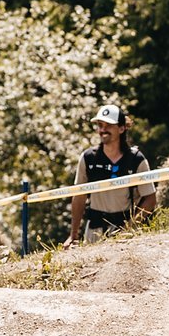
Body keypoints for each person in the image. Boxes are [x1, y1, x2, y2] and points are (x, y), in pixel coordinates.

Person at [66, 104, 157, 245]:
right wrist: (73, 235)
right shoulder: (88, 158)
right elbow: (79, 196)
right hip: (94, 232)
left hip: (126, 235)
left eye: (108, 125)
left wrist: (129, 228)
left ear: (122, 128)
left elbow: (150, 200)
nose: (103, 130)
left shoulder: (136, 159)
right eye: (100, 125)